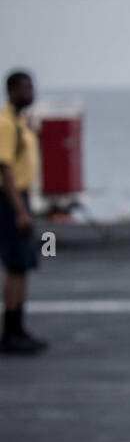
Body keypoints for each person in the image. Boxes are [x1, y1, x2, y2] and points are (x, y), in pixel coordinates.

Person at [0, 70, 46, 355]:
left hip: (20, 198)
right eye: (26, 88)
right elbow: (4, 168)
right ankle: (10, 332)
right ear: (13, 90)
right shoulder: (6, 124)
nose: (32, 93)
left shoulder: (19, 122)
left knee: (22, 266)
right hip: (9, 200)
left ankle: (18, 328)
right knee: (16, 266)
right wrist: (20, 211)